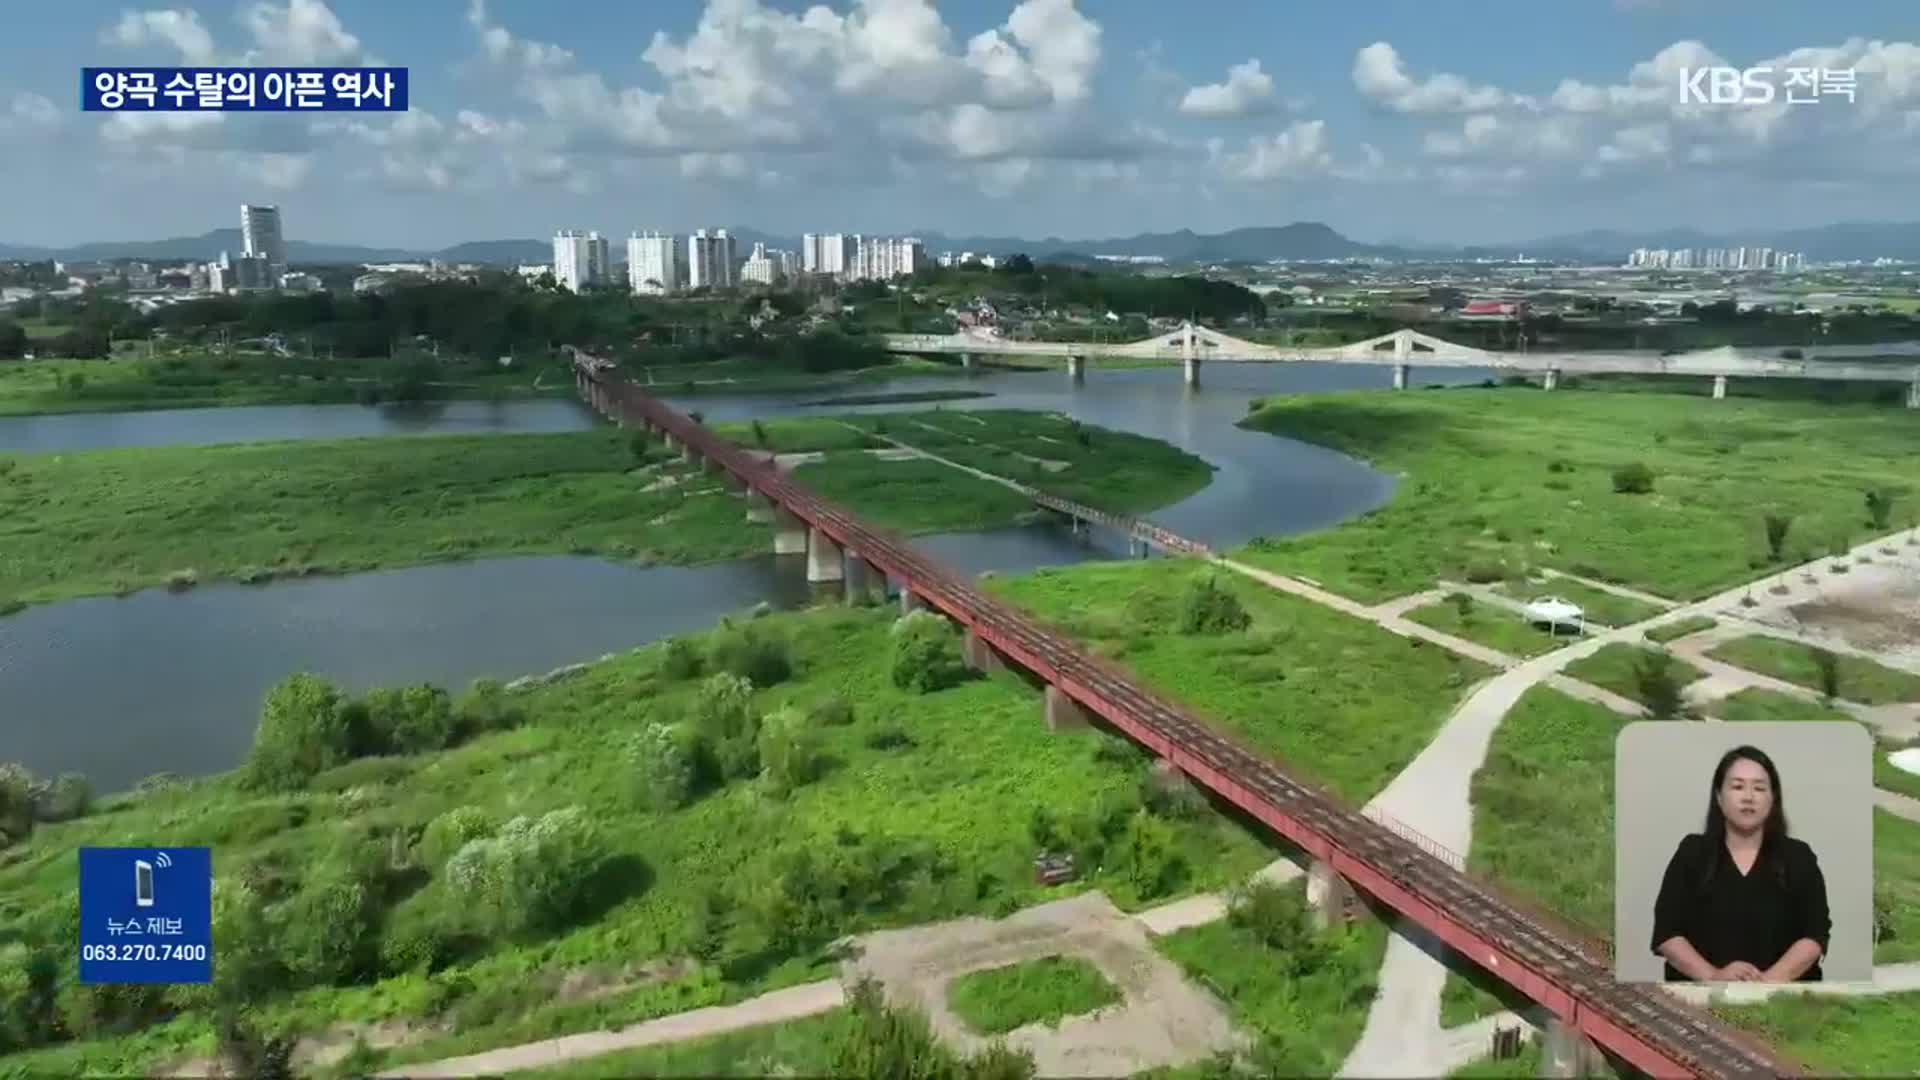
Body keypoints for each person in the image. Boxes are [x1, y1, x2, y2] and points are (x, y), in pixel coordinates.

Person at [1650, 744, 1830, 982]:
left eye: (1759, 788)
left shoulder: (1798, 857)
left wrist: (1767, 983)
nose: (1748, 797)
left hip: (1783, 999)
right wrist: (1713, 976)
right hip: (1702, 999)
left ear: (1773, 798)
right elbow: (1667, 932)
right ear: (1719, 797)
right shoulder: (1692, 853)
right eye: (1737, 787)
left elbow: (1815, 933)